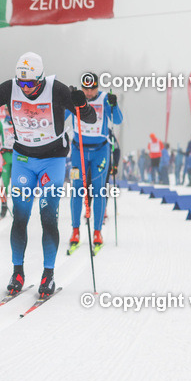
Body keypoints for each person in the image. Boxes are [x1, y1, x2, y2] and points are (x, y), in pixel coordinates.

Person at [0, 52, 95, 297]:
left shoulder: (57, 90)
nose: (25, 88)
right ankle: (17, 272)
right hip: (24, 160)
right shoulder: (9, 88)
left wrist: (82, 104)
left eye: (31, 84)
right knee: (20, 215)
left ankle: (48, 275)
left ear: (40, 79)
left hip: (53, 160)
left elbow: (88, 118)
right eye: (22, 83)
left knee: (48, 215)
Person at [66, 76, 122, 251]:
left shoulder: (104, 98)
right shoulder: (77, 98)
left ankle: (97, 232)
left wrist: (114, 105)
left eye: (92, 89)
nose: (89, 93)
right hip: (78, 151)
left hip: (100, 151)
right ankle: (75, 230)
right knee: (76, 189)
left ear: (97, 87)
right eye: (86, 89)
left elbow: (118, 120)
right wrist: (66, 100)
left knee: (99, 190)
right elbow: (62, 116)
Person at [0, 112, 15, 217]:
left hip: (17, 156)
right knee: (4, 184)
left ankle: (18, 207)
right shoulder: (1, 124)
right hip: (5, 156)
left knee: (18, 184)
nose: (8, 111)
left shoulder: (20, 121)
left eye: (9, 109)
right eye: (6, 109)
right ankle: (4, 206)